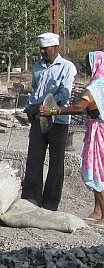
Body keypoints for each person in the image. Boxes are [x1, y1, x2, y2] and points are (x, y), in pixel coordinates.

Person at [40, 51, 104, 223]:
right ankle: (98, 211)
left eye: (89, 64)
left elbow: (78, 107)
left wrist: (53, 111)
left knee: (98, 171)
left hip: (99, 133)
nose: (87, 68)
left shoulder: (95, 87)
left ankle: (103, 214)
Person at [22, 32, 76, 210]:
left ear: (56, 48)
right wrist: (31, 109)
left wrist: (42, 107)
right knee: (34, 159)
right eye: (41, 49)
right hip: (38, 119)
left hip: (58, 120)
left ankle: (51, 202)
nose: (42, 52)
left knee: (56, 163)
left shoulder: (67, 67)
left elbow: (64, 94)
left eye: (45, 49)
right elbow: (35, 91)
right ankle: (31, 198)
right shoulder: (38, 66)